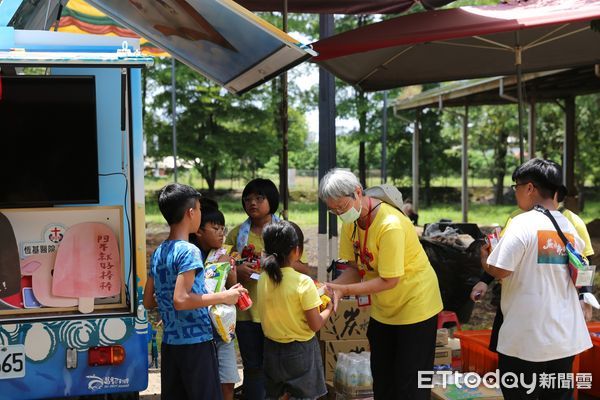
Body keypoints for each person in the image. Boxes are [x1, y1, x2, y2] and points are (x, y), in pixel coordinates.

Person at [319, 169, 443, 400]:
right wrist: (331, 287)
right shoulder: (351, 222)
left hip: (416, 305)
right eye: (333, 209)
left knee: (411, 385)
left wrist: (343, 290)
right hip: (384, 310)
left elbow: (389, 279)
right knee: (383, 379)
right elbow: (355, 270)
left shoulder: (390, 224)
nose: (338, 213)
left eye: (341, 207)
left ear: (358, 192)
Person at [481, 159, 592, 399]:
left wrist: (485, 259)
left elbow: (500, 270)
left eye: (516, 187)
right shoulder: (569, 227)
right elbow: (581, 271)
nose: (516, 193)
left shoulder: (522, 224)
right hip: (565, 337)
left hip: (526, 339)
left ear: (529, 188)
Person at [143, 183, 247, 400]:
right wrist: (224, 296)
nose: (199, 213)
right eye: (199, 209)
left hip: (171, 344)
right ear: (191, 212)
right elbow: (181, 300)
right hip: (196, 344)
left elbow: (149, 301)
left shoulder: (160, 251)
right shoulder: (189, 251)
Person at [470, 177, 596, 352]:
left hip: (557, 302)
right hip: (515, 297)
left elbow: (584, 263)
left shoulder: (571, 221)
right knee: (509, 352)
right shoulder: (516, 217)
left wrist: (585, 297)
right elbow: (504, 257)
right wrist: (485, 279)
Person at [257, 220, 333, 400]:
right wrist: (329, 308)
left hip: (271, 349)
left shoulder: (263, 279)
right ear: (296, 251)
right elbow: (315, 324)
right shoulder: (303, 282)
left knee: (276, 394)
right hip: (300, 350)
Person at [224, 178, 280, 400]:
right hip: (245, 313)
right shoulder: (237, 234)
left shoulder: (283, 231)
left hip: (277, 312)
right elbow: (220, 268)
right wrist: (238, 270)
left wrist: (271, 263)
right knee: (253, 366)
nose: (252, 203)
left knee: (275, 366)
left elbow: (301, 267)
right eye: (247, 199)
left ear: (271, 200)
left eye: (259, 198)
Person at [189, 198, 240, 400]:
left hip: (223, 330)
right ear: (199, 231)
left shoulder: (223, 254)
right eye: (215, 228)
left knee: (227, 381)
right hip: (200, 332)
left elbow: (229, 287)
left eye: (223, 228)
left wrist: (231, 270)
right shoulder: (191, 256)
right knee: (204, 384)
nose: (221, 233)